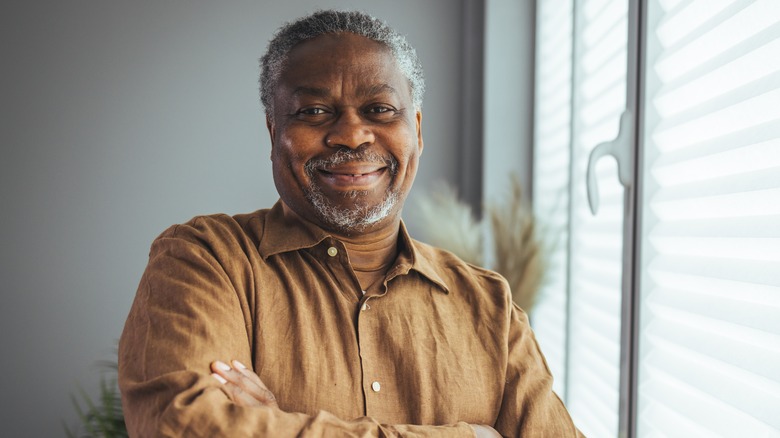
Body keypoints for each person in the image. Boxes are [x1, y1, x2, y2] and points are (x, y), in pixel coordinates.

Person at [118, 10, 581, 437]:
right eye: (314, 112)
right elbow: (183, 428)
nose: (351, 135)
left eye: (379, 110)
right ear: (273, 132)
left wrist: (276, 426)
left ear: (416, 131)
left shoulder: (491, 308)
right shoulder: (205, 259)